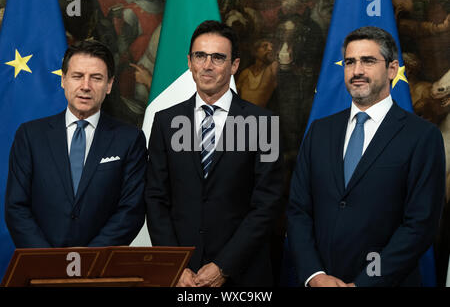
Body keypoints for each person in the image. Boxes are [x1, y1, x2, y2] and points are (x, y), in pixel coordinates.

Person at [287, 26, 446, 287]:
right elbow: (298, 210)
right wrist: (315, 275)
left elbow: (419, 226)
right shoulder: (320, 132)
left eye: (368, 61)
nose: (357, 71)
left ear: (392, 69)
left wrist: (365, 283)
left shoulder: (422, 136)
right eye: (350, 62)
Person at [146, 20, 284, 287]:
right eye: (200, 56)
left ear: (234, 65)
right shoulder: (165, 121)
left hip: (243, 275)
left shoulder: (264, 124)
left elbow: (268, 204)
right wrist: (176, 265)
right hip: (182, 276)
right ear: (189, 62)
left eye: (218, 58)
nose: (207, 65)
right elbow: (155, 199)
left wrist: (225, 266)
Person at [5, 40, 147, 248]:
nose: (85, 86)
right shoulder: (29, 135)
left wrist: (88, 260)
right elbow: (16, 207)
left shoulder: (130, 139)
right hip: (41, 268)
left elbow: (131, 210)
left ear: (109, 85)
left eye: (96, 78)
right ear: (63, 80)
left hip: (100, 270)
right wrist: (49, 261)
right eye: (77, 76)